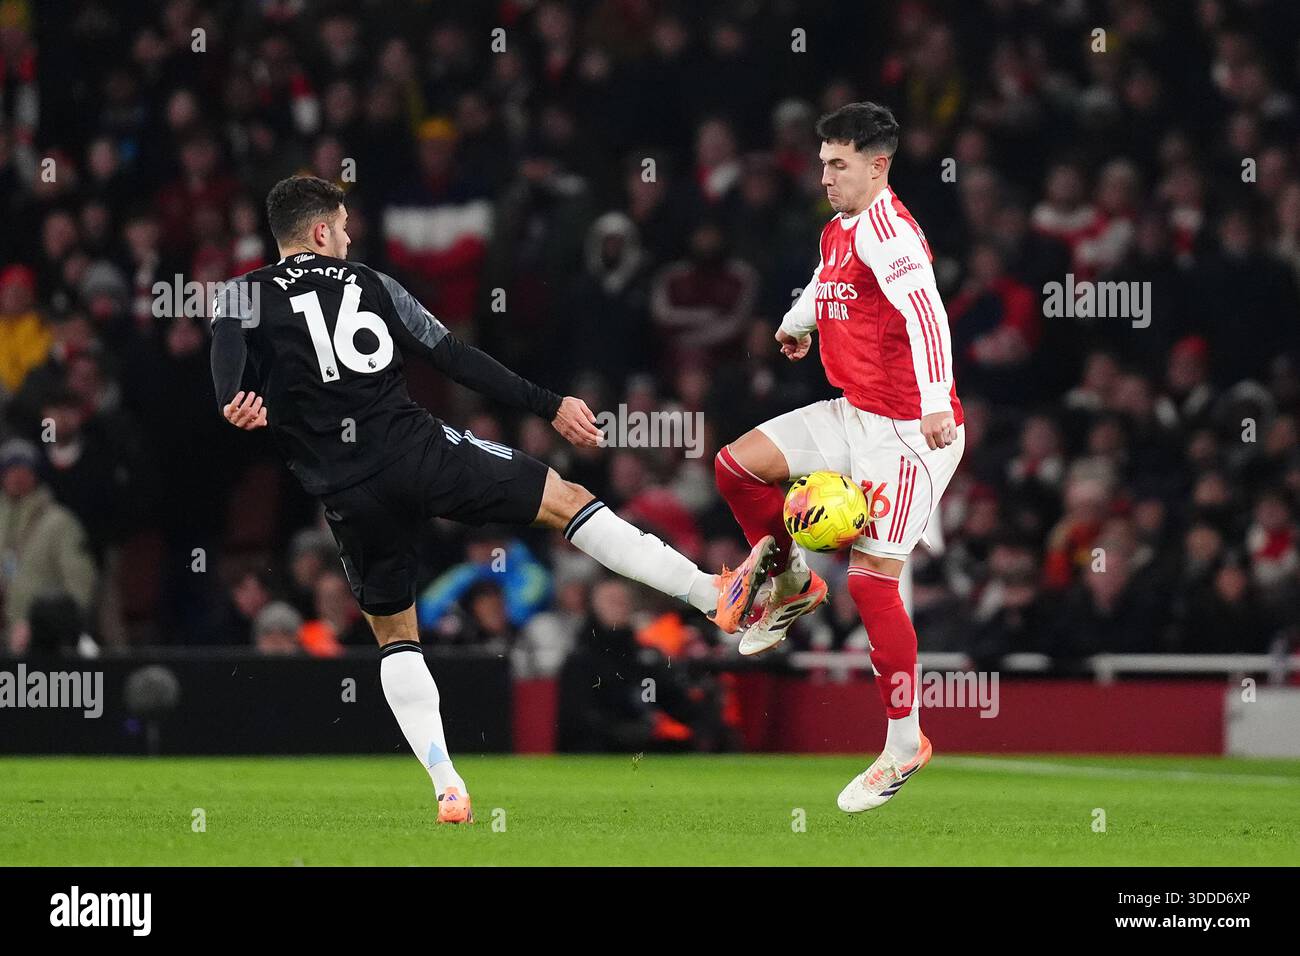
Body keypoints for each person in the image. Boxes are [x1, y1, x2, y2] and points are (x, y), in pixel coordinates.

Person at [209, 176, 772, 824]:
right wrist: (549, 403)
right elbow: (455, 358)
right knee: (566, 500)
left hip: (347, 491)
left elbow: (227, 375)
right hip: (421, 452)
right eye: (341, 225)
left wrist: (235, 400)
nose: (349, 234)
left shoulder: (241, 295)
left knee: (396, 636)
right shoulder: (371, 284)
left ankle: (448, 783)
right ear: (318, 232)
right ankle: (711, 596)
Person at [713, 103, 965, 813]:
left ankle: (902, 743)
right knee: (734, 466)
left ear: (877, 165)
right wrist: (797, 324)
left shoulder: (893, 235)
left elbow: (927, 314)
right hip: (853, 411)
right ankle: (791, 585)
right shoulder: (838, 228)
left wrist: (938, 399)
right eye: (823, 162)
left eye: (838, 164)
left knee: (873, 585)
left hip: (908, 430)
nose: (824, 175)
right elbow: (829, 286)